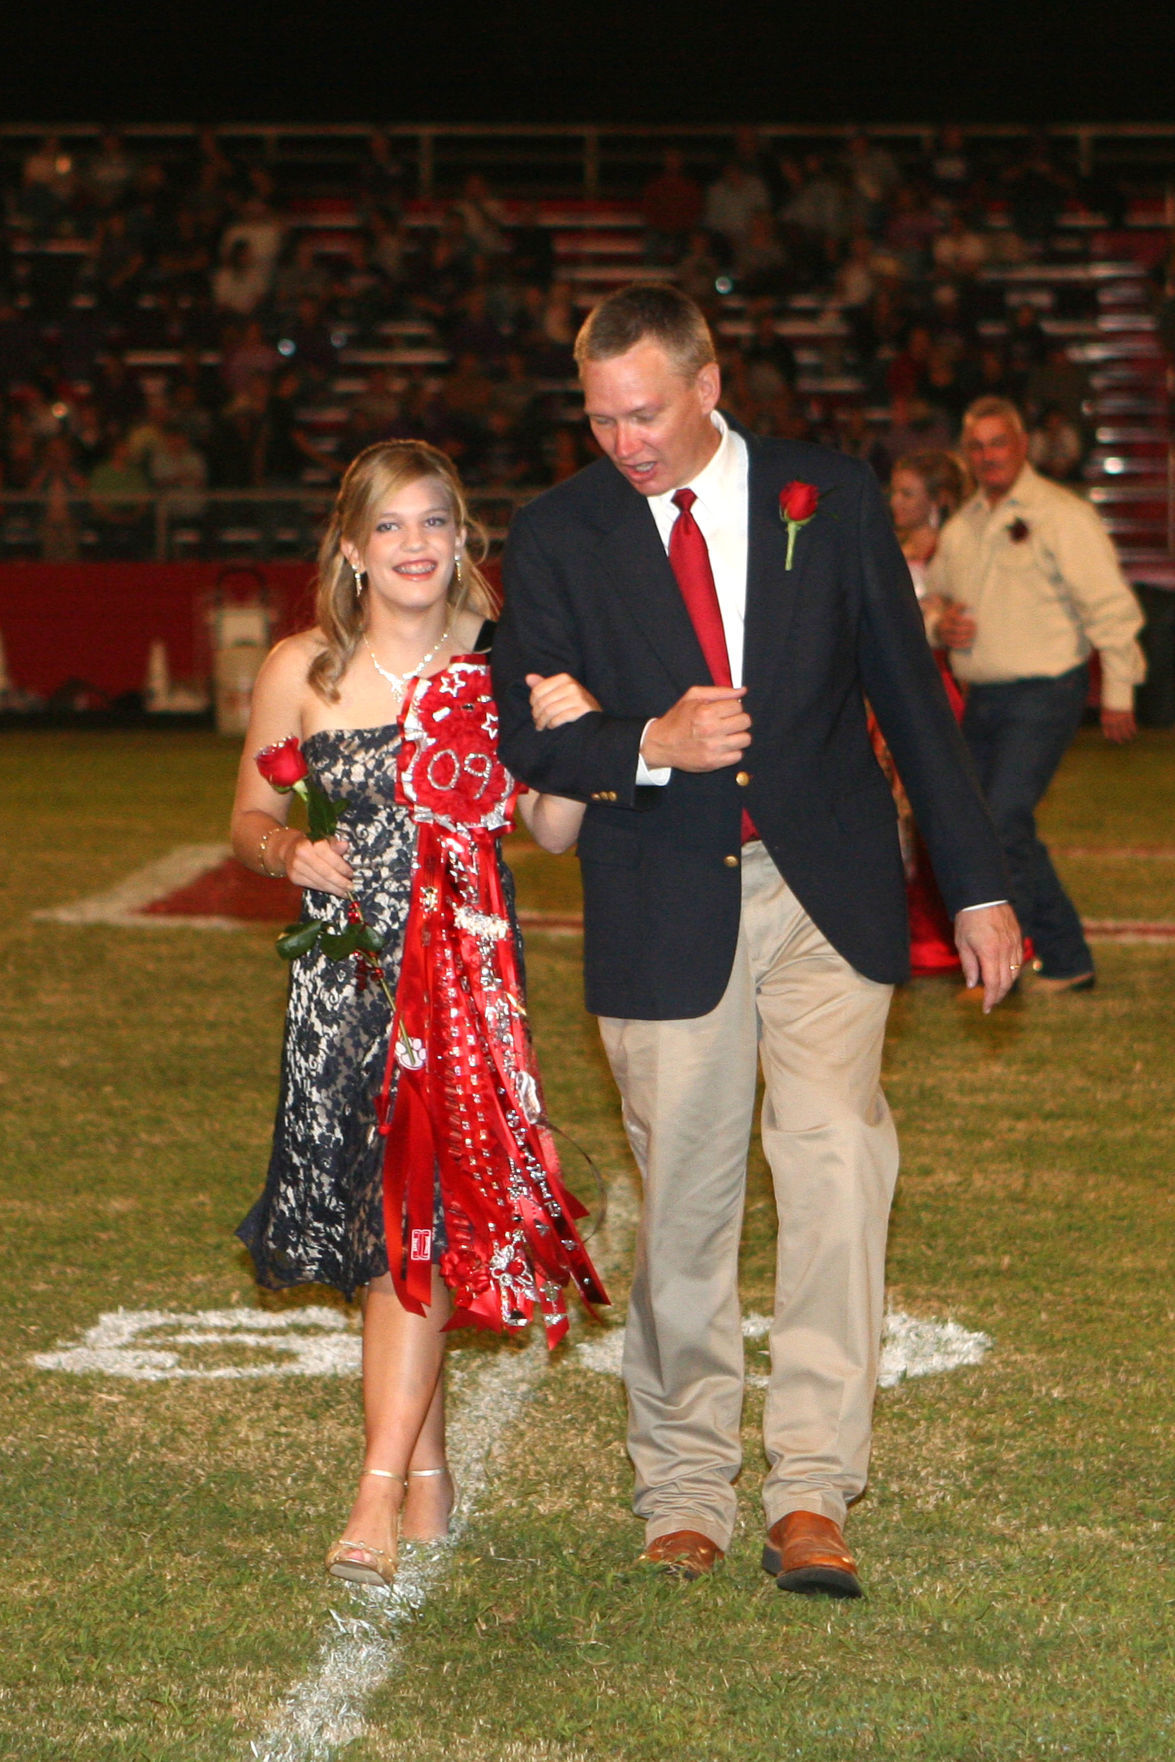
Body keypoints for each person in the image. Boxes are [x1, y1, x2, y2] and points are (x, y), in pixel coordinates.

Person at [492, 284, 1019, 1595]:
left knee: (838, 1165)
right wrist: (644, 743)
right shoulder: (555, 532)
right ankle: (681, 1483)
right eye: (601, 416)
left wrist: (972, 883)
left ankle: (808, 1486)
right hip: (660, 893)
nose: (624, 441)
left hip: (824, 888)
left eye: (645, 411)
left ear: (706, 382)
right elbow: (525, 731)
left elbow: (906, 689)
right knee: (684, 1199)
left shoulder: (823, 495)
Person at [231, 440, 605, 1590]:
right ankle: (431, 1473)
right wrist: (294, 848)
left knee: (416, 1228)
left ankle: (376, 1489)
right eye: (389, 526)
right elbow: (245, 817)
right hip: (344, 982)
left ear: (463, 540)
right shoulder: (302, 667)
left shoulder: (503, 661)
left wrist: (575, 736)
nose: (413, 546)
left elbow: (547, 830)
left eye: (434, 522)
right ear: (351, 547)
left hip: (463, 980)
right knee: (378, 1230)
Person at [928, 396, 1146, 994]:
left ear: (1022, 446)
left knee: (1001, 820)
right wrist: (937, 627)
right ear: (966, 456)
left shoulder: (1062, 514)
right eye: (977, 446)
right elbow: (930, 599)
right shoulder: (962, 523)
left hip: (1047, 692)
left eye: (999, 442)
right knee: (994, 824)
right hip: (984, 698)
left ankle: (1008, 964)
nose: (988, 455)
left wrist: (1121, 690)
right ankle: (1067, 956)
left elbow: (1111, 608)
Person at [886, 450, 971, 975]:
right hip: (890, 689)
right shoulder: (888, 547)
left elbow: (952, 617)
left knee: (936, 806)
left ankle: (947, 932)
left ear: (937, 500)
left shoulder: (953, 549)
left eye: (908, 493)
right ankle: (907, 932)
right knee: (892, 812)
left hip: (936, 685)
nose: (895, 503)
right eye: (893, 492)